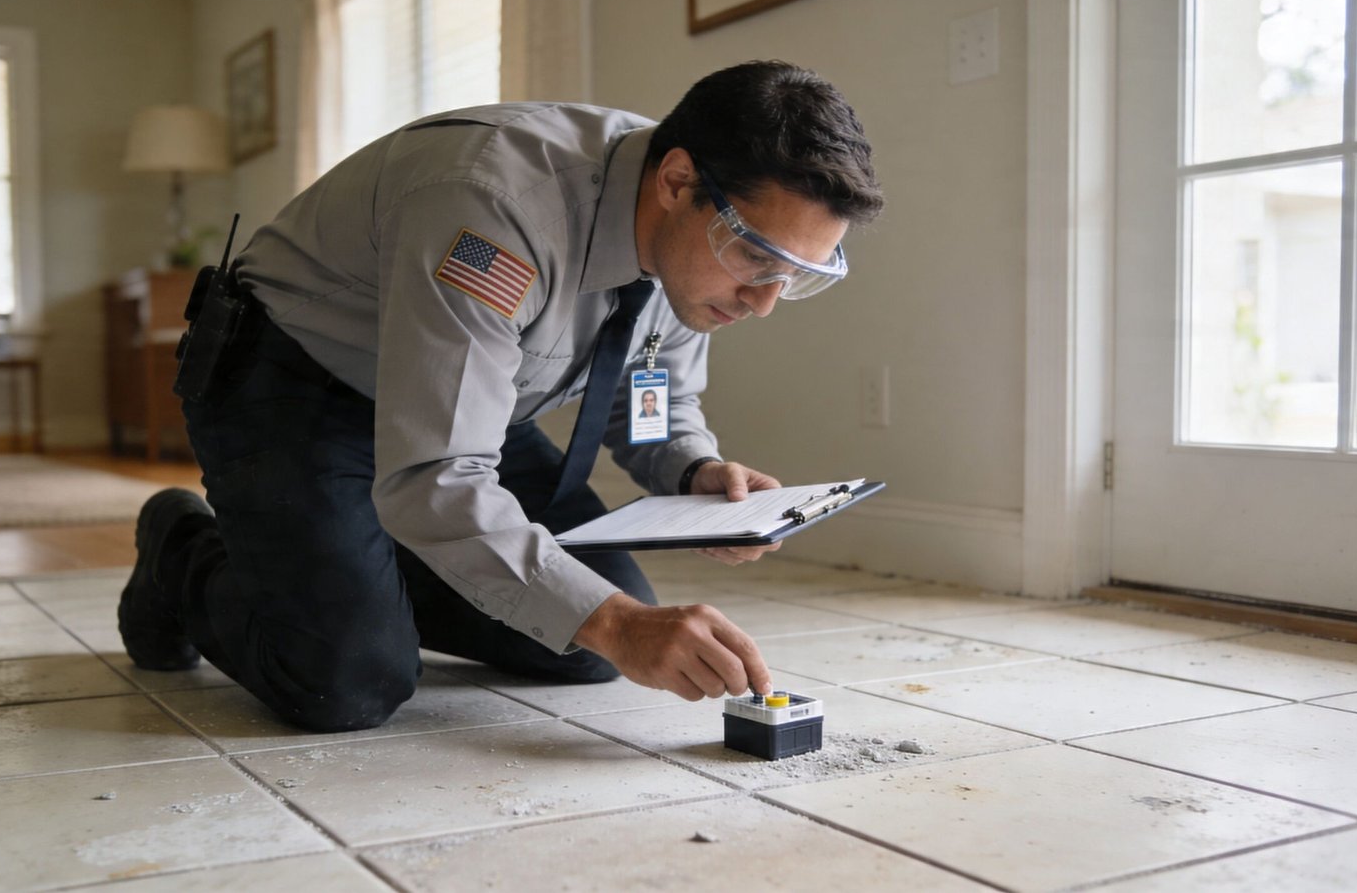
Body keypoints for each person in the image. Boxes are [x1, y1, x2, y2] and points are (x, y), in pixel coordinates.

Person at [119, 60, 882, 732]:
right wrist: (614, 624)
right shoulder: (493, 210)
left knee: (586, 644)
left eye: (795, 275)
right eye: (756, 257)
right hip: (294, 380)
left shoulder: (698, 233)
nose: (763, 302)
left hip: (471, 403)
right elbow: (436, 476)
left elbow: (649, 388)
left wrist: (692, 469)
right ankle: (177, 544)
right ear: (676, 182)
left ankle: (359, 557)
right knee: (348, 681)